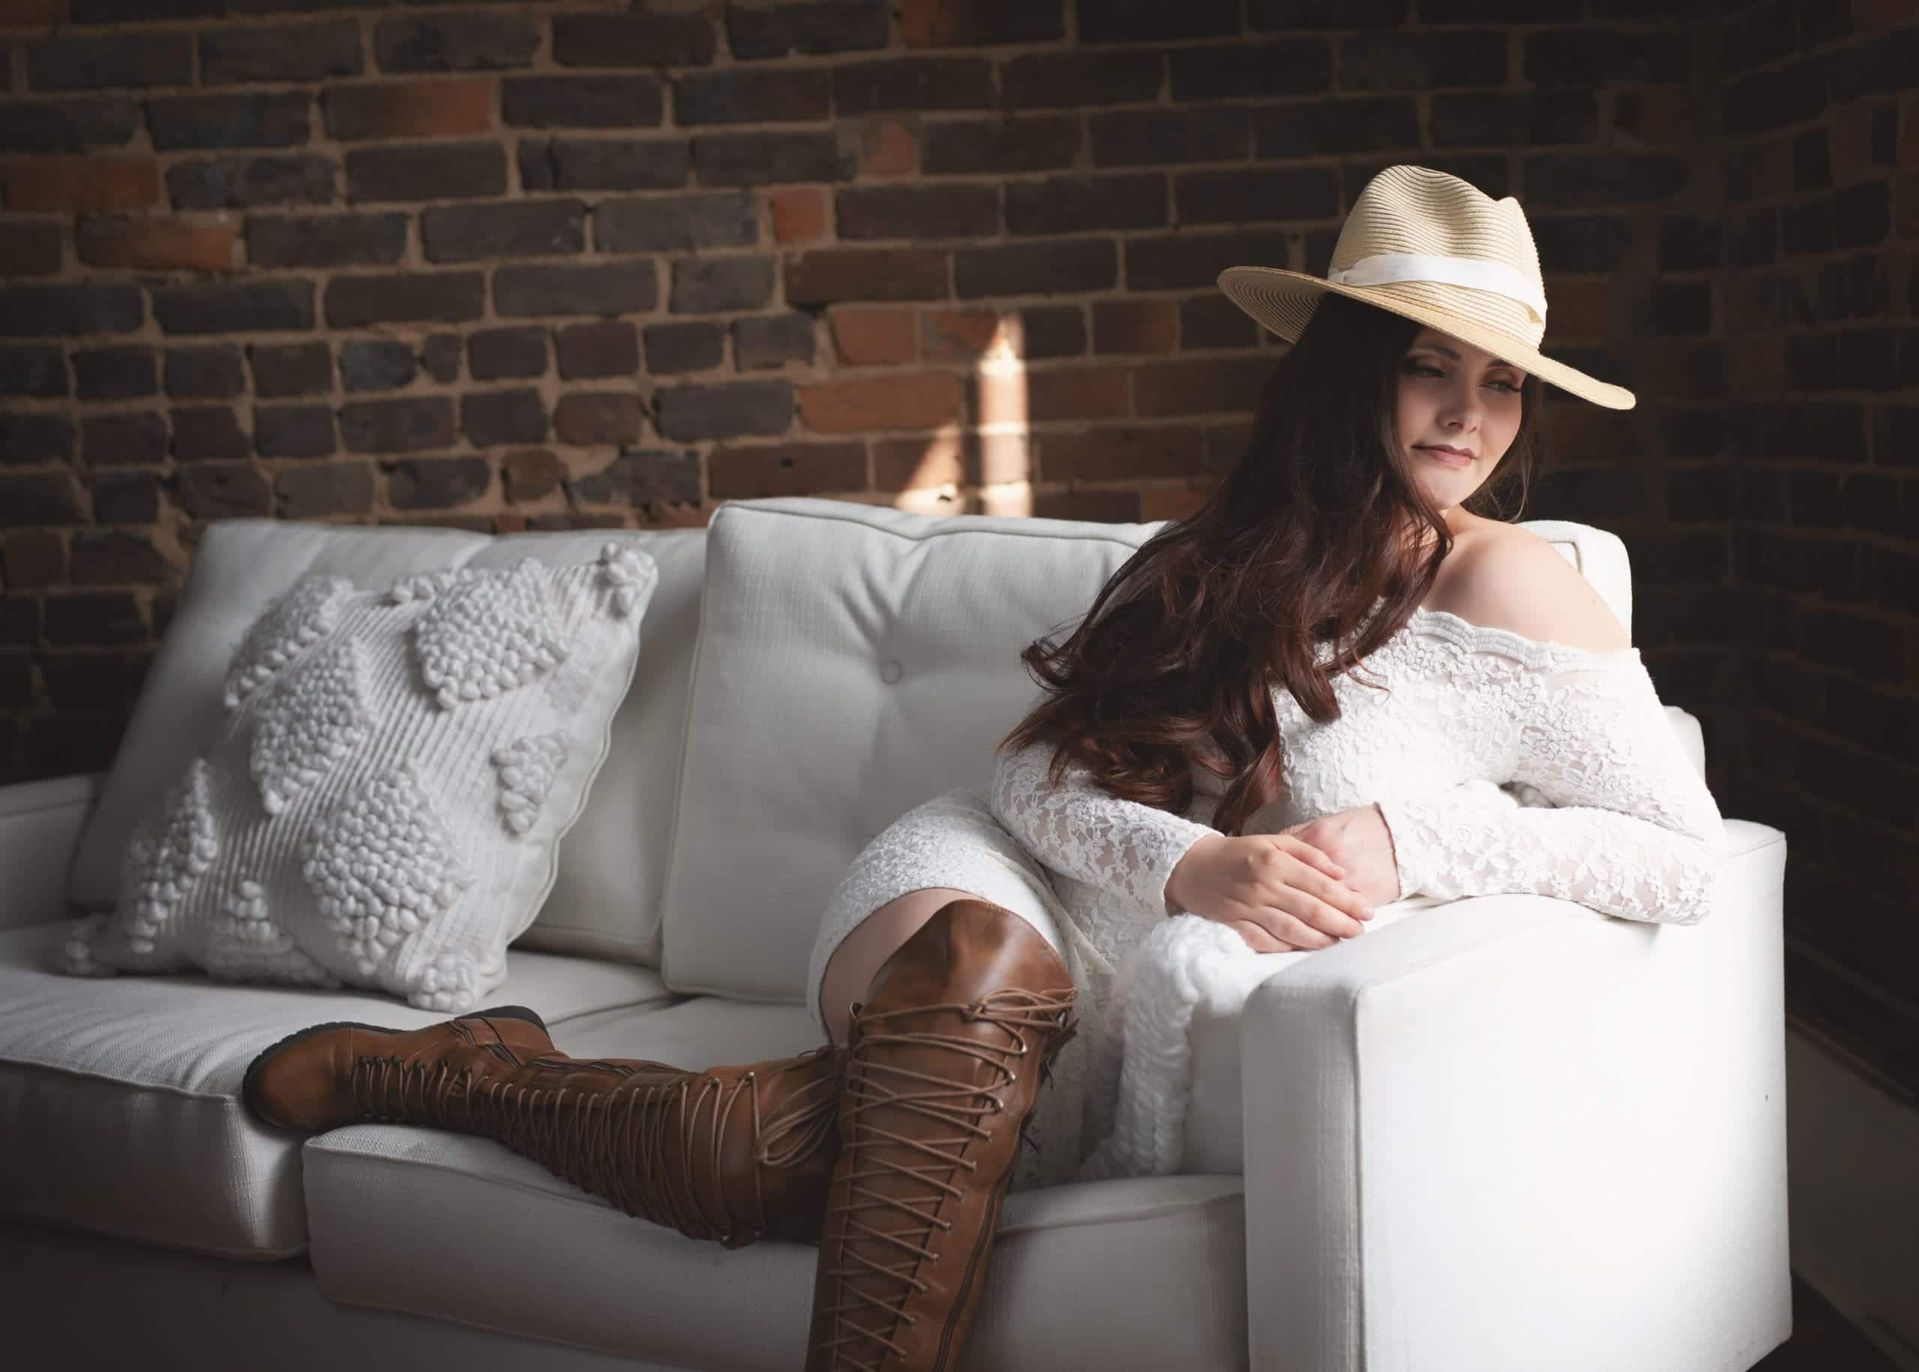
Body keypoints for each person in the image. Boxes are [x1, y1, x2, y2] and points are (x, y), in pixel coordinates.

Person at [243, 165, 1723, 1371]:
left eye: (1501, 384)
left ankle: (464, 1076)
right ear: (1346, 375)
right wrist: (1192, 861)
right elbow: (1033, 786)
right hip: (994, 880)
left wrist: (1420, 842)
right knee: (973, 971)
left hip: (1140, 999)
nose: (1469, 417)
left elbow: (1680, 848)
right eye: (1426, 369)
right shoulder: (1205, 561)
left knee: (771, 1156)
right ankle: (472, 1069)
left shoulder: (1521, 589)